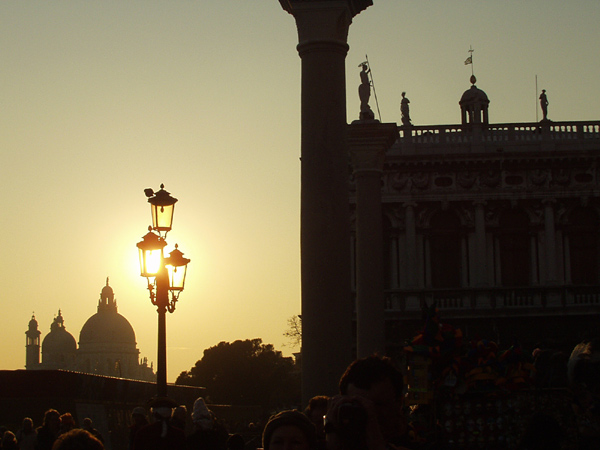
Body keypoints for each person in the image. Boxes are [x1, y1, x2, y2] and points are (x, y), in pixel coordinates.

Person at [326, 355, 410, 450]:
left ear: (398, 403)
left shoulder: (421, 441)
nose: (367, 413)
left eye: (377, 405)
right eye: (358, 406)